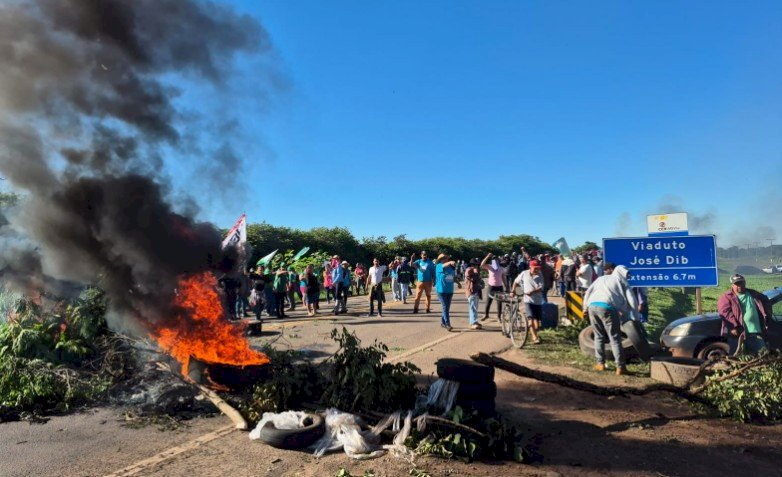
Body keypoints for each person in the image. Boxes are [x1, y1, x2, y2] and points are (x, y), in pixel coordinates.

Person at [582, 265, 639, 375]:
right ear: (622, 273)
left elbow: (588, 292)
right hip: (607, 307)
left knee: (598, 336)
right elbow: (632, 301)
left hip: (592, 306)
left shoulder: (601, 278)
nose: (628, 276)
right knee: (615, 338)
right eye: (627, 274)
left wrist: (585, 307)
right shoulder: (622, 281)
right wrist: (635, 318)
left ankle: (600, 364)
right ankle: (620, 367)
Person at [717, 274, 772, 355]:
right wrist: (734, 327)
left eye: (741, 283)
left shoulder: (753, 293)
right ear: (732, 285)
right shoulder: (726, 297)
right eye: (737, 284)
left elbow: (766, 301)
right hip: (738, 333)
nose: (740, 286)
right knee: (737, 356)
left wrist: (767, 315)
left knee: (762, 355)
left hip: (755, 332)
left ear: (745, 283)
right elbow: (725, 313)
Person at [510, 259, 543, 344]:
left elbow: (541, 288)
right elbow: (516, 281)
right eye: (535, 268)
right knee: (530, 318)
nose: (537, 270)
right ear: (530, 267)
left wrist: (532, 292)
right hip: (528, 300)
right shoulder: (524, 273)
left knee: (537, 324)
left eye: (538, 268)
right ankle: (534, 338)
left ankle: (534, 333)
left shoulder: (540, 275)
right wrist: (513, 291)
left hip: (538, 301)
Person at [480, 253, 506, 321]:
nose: (495, 261)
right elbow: (482, 265)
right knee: (488, 301)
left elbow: (503, 277)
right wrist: (487, 256)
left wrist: (506, 286)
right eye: (494, 259)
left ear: (498, 261)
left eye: (496, 259)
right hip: (491, 287)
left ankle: (499, 317)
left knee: (499, 303)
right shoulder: (490, 267)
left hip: (499, 287)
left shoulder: (501, 268)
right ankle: (486, 315)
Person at [435, 253, 456, 331]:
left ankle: (443, 322)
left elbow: (452, 276)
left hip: (449, 290)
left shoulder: (450, 267)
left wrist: (458, 283)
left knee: (446, 308)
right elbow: (444, 266)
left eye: (446, 258)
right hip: (441, 290)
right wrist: (450, 262)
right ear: (440, 260)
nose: (445, 259)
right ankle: (447, 324)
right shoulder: (439, 266)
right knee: (445, 307)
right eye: (443, 258)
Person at [464, 258, 483, 330]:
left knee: (475, 308)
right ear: (472, 265)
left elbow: (478, 280)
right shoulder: (469, 270)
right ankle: (473, 322)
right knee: (473, 308)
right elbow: (469, 277)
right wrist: (475, 273)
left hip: (476, 291)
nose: (476, 266)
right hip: (471, 292)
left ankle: (474, 321)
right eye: (475, 264)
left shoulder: (476, 271)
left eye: (477, 265)